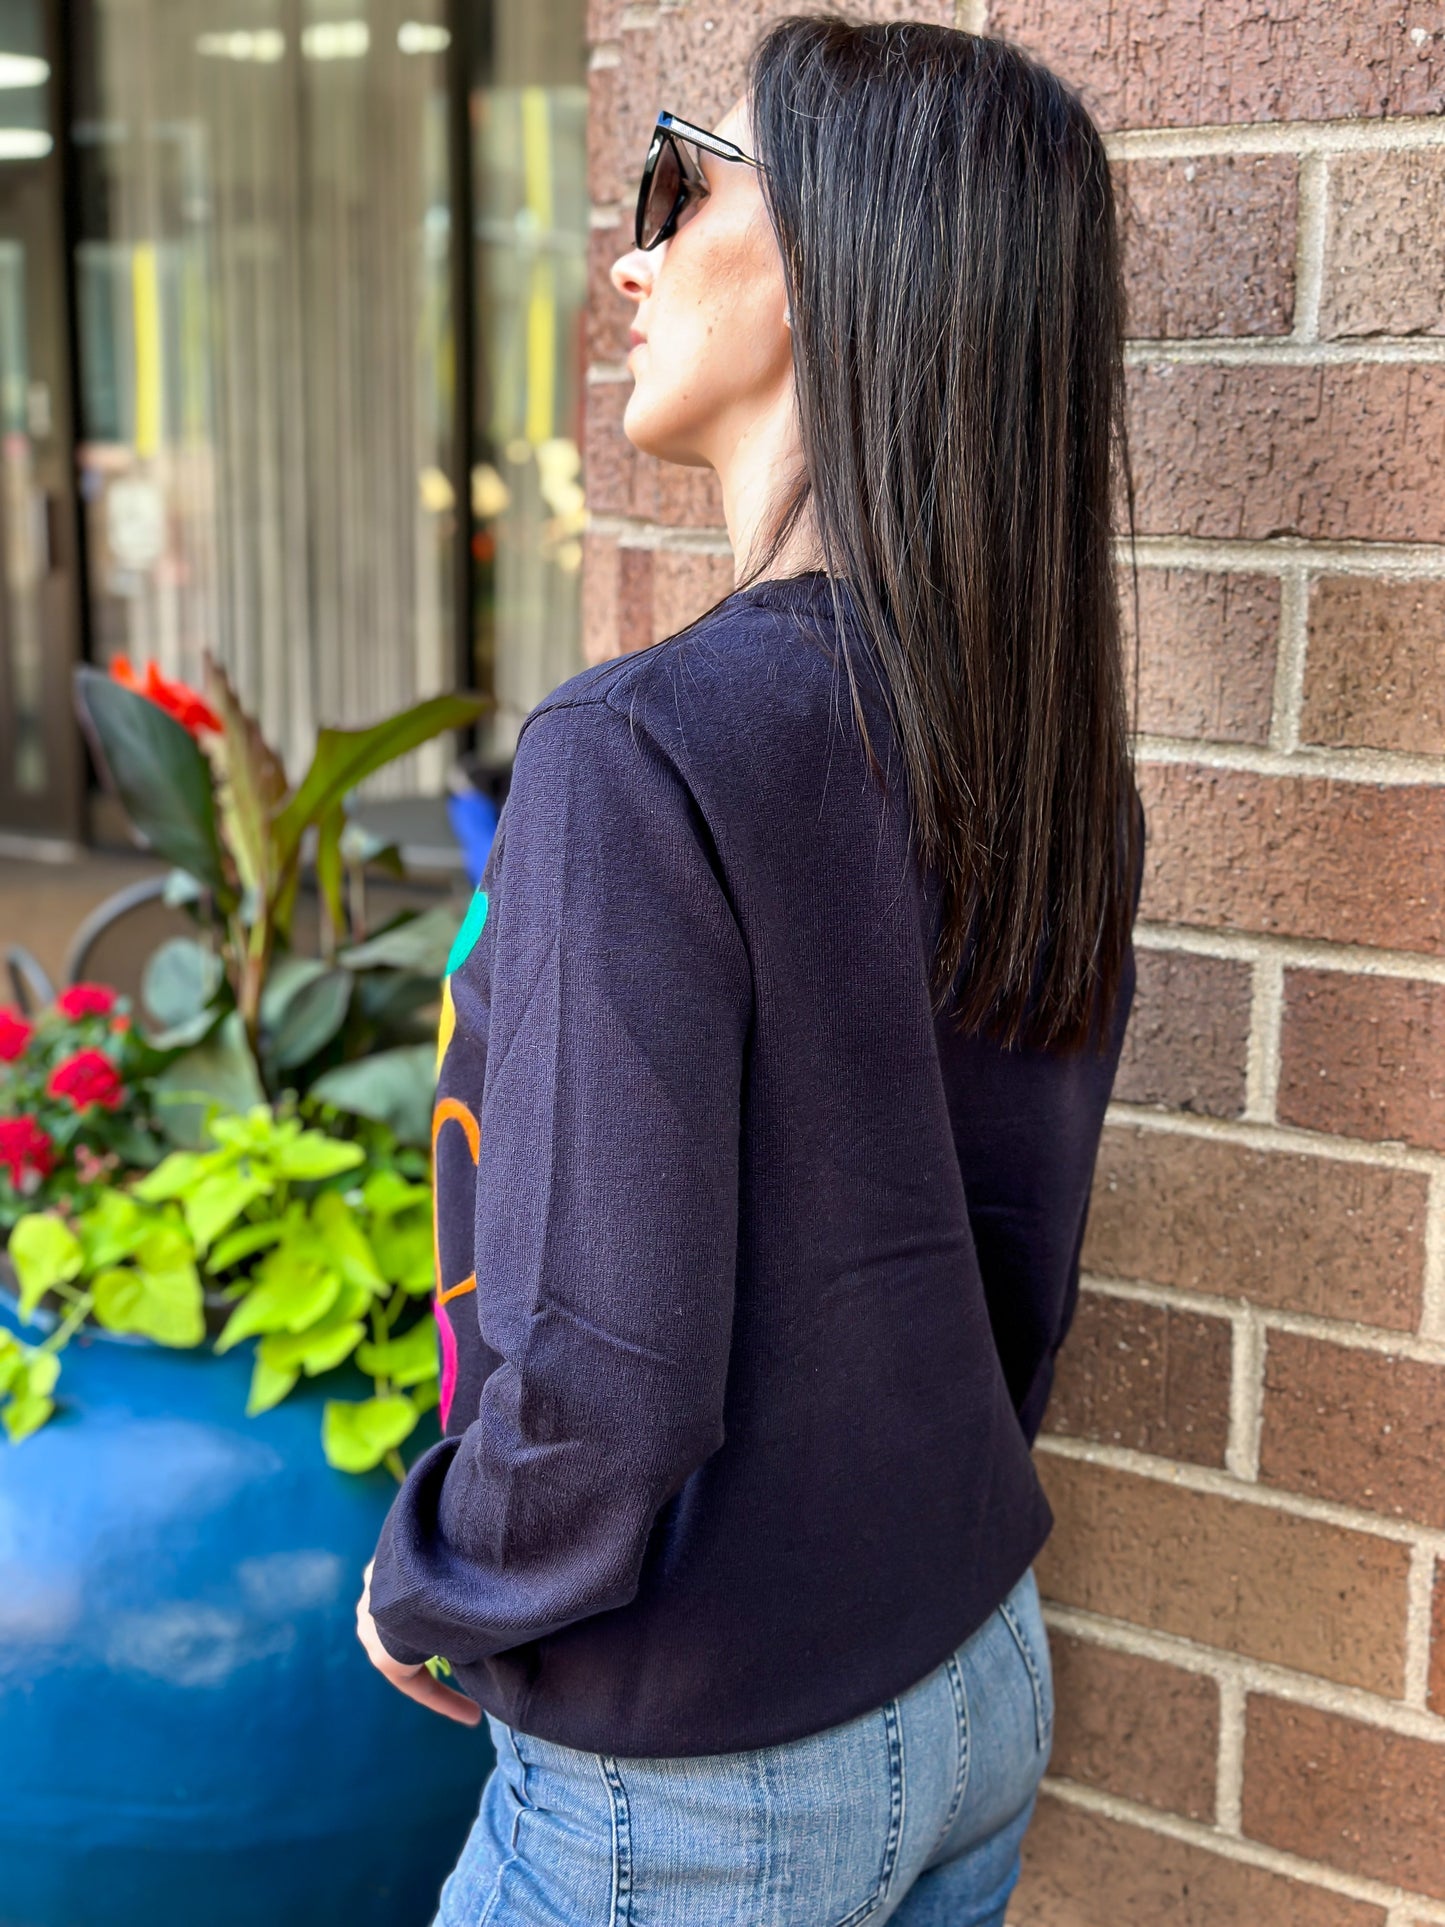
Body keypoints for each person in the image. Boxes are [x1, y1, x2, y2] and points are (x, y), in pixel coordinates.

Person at [355, 13, 1146, 1924]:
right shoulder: (1036, 751)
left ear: (828, 260)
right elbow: (1015, 1261)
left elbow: (603, 1361)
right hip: (967, 1666)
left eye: (677, 183)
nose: (627, 259)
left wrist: (442, 1579)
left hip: (694, 1775)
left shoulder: (637, 751)